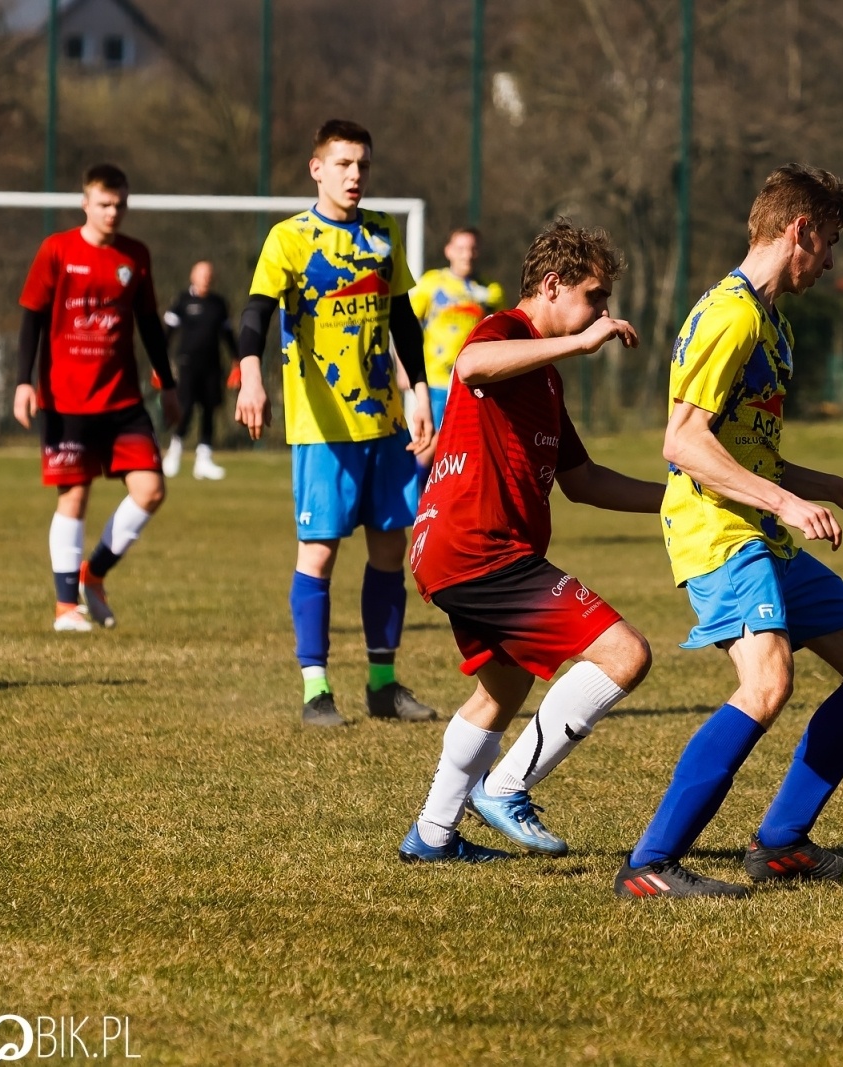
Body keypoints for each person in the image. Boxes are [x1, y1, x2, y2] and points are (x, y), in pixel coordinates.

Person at [617, 164, 843, 900]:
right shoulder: (731, 316)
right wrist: (781, 503)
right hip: (719, 531)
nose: (833, 261)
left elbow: (752, 449)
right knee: (768, 681)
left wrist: (834, 489)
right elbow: (683, 443)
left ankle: (780, 841)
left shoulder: (769, 321)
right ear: (798, 231)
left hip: (761, 526)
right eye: (831, 242)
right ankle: (650, 864)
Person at [399, 222, 663, 863]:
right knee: (626, 655)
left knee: (502, 688)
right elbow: (471, 364)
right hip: (477, 548)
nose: (603, 312)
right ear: (552, 286)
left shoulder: (545, 376)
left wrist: (680, 500)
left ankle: (432, 835)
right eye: (594, 297)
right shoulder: (506, 332)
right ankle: (505, 788)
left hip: (459, 550)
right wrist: (577, 342)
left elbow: (584, 480)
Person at [234, 119, 439, 727]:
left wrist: (420, 391)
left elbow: (404, 319)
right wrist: (250, 374)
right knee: (318, 553)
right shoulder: (289, 239)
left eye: (364, 166)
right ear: (316, 168)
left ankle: (382, 683)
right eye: (344, 164)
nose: (355, 176)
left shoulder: (381, 234)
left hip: (385, 422)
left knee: (387, 551)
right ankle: (315, 689)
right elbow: (254, 314)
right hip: (321, 429)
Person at [14, 164, 181, 633]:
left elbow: (149, 325)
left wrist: (167, 388)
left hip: (123, 399)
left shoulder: (135, 256)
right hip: (66, 400)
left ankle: (95, 574)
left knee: (151, 490)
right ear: (85, 203)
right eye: (104, 203)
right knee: (76, 495)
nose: (113, 212)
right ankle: (66, 607)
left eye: (121, 204)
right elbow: (31, 317)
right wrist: (23, 381)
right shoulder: (57, 250)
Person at [407, 226, 505, 474]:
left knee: (463, 450)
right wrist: (402, 368)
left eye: (472, 248)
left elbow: (502, 334)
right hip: (437, 379)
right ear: (448, 251)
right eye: (461, 248)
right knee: (430, 442)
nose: (467, 255)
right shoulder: (431, 283)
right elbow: (405, 326)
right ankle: (414, 499)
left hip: (474, 382)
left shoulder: (490, 291)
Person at [161, 260, 237, 480]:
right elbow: (168, 334)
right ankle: (173, 454)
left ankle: (204, 459)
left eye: (209, 275)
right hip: (187, 364)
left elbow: (228, 335)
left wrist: (237, 359)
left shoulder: (219, 304)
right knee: (184, 408)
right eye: (201, 274)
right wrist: (160, 363)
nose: (205, 279)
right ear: (192, 276)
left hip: (212, 366)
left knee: (209, 409)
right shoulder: (182, 301)